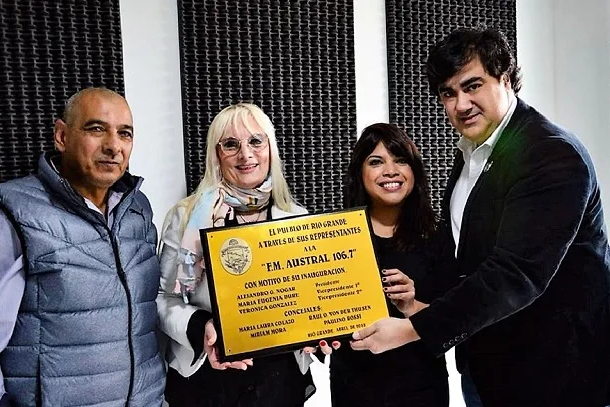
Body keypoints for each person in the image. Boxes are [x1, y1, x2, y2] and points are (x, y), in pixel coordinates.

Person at [350, 27, 610, 407]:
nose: (461, 104)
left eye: (473, 85)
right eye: (448, 93)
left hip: (556, 375)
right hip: (491, 366)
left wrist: (412, 329)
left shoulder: (551, 155)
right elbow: (471, 261)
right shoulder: (472, 154)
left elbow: (515, 274)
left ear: (505, 78)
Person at [0, 87, 166, 407]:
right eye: (96, 129)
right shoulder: (7, 214)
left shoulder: (138, 210)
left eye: (125, 134)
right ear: (61, 136)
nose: (113, 146)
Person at [157, 103, 314, 406]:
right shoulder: (186, 216)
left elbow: (310, 298)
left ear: (270, 148)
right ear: (216, 154)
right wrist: (202, 328)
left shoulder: (297, 219)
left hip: (278, 378)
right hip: (207, 375)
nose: (246, 154)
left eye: (256, 141)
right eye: (231, 144)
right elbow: (165, 299)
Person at [317, 123, 456, 407]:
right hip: (353, 389)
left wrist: (411, 306)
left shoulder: (438, 235)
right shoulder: (333, 235)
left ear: (414, 171)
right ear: (360, 173)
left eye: (400, 160)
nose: (390, 170)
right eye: (376, 162)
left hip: (421, 389)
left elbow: (455, 318)